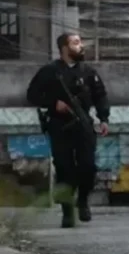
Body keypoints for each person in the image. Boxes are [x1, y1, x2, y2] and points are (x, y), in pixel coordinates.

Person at [26, 33, 110, 228]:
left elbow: (101, 96)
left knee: (88, 166)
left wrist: (104, 118)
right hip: (59, 126)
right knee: (64, 169)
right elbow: (32, 95)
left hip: (84, 125)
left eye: (80, 42)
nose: (81, 46)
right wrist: (53, 104)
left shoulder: (88, 72)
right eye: (76, 43)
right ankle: (67, 211)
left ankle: (83, 201)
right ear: (64, 48)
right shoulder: (50, 71)